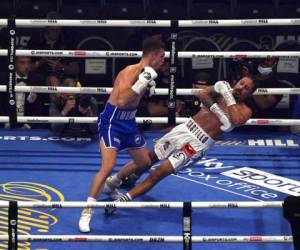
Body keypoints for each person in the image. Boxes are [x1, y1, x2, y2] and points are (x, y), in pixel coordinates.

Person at [103, 75, 258, 213]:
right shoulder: (221, 90)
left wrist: (228, 97)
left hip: (197, 144)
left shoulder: (245, 110)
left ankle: (121, 201)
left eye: (246, 88)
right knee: (148, 158)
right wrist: (217, 109)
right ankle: (119, 180)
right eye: (241, 83)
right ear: (237, 81)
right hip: (185, 129)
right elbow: (202, 93)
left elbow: (236, 120)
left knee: (159, 173)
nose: (241, 88)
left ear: (250, 93)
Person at [78, 36, 166, 233]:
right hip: (112, 121)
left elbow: (136, 100)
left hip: (128, 122)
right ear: (152, 55)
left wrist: (146, 87)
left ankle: (113, 184)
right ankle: (87, 211)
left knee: (144, 162)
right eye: (161, 57)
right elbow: (123, 100)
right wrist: (141, 83)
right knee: (107, 166)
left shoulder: (148, 74)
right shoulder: (131, 71)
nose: (163, 61)